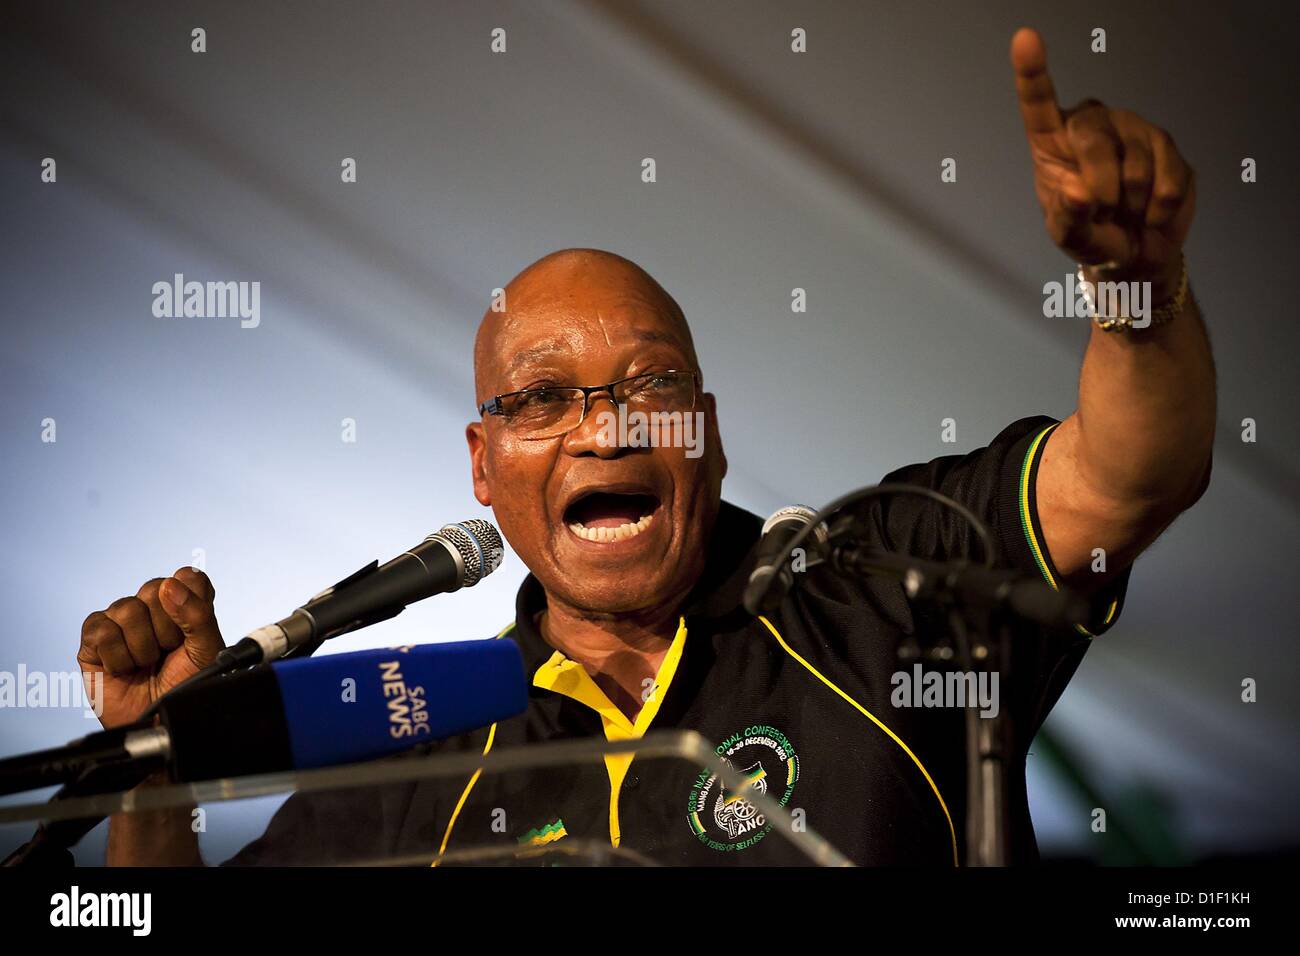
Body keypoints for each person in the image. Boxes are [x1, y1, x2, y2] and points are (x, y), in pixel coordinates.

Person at [79, 29, 1214, 866]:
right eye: (540, 398)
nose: (606, 423)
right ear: (482, 468)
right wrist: (157, 768)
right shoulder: (412, 746)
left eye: (651, 383)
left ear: (707, 436)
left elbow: (1128, 473)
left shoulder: (877, 593)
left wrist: (1140, 294)